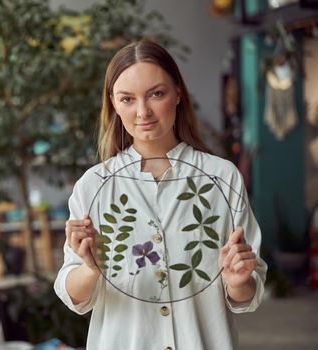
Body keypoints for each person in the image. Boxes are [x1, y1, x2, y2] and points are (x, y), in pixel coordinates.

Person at [53, 39, 267, 350]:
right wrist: (90, 269)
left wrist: (238, 282)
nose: (143, 112)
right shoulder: (93, 186)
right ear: (112, 103)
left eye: (156, 94)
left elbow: (246, 296)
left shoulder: (222, 178)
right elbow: (74, 296)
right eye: (127, 99)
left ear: (178, 93)